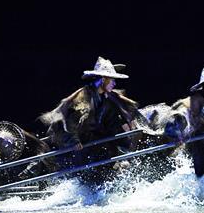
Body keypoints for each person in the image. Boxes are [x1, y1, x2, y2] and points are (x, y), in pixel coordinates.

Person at [39, 57, 142, 188]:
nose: (114, 84)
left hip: (101, 146)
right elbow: (68, 122)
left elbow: (113, 122)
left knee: (117, 168)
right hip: (84, 148)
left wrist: (125, 137)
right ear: (103, 80)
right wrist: (74, 140)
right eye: (112, 80)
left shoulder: (109, 98)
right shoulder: (82, 97)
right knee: (90, 177)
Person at [0, 121, 52, 189]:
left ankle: (44, 186)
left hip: (22, 161)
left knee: (42, 163)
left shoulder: (20, 135)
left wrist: (32, 166)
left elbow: (42, 148)